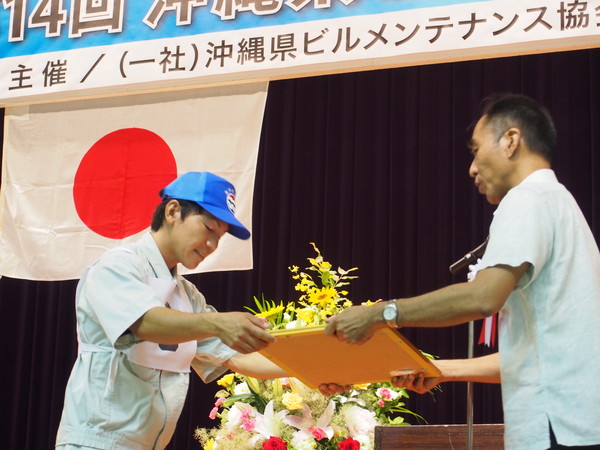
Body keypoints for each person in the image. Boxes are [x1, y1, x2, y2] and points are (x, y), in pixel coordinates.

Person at [320, 94, 600, 449]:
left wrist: (380, 314)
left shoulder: (527, 198)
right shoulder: (558, 201)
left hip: (556, 428)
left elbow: (483, 297)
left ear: (511, 141)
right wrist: (440, 370)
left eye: (476, 150)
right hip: (577, 422)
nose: (472, 168)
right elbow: (533, 357)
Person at [56, 171, 287, 449]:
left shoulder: (187, 294)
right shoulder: (117, 265)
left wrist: (314, 372)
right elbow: (146, 323)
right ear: (173, 211)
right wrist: (218, 323)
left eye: (220, 237)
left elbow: (238, 356)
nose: (213, 245)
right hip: (96, 442)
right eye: (209, 228)